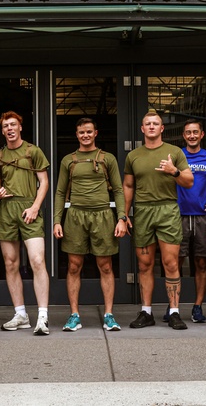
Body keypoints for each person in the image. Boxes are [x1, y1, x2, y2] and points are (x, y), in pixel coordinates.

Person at [53, 118, 127, 332]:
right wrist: (58, 220)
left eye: (88, 132)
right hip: (75, 216)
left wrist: (121, 217)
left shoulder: (107, 158)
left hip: (103, 215)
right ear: (76, 135)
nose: (85, 135)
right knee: (74, 266)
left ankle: (109, 315)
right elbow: (59, 192)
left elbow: (119, 190)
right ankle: (74, 315)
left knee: (105, 266)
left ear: (96, 133)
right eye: (81, 132)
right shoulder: (69, 160)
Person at [124, 110, 194, 330]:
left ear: (162, 128)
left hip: (167, 209)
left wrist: (174, 171)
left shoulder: (174, 152)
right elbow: (128, 186)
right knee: (144, 265)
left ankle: (174, 312)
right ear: (142, 129)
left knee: (171, 263)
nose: (152, 126)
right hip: (143, 211)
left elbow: (189, 181)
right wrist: (125, 214)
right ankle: (146, 312)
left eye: (156, 123)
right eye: (148, 124)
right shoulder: (133, 155)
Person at [0, 111, 52, 335]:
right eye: (6, 125)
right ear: (3, 130)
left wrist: (36, 207)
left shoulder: (32, 151)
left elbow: (44, 182)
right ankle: (21, 314)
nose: (9, 128)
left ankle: (43, 316)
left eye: (13, 124)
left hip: (29, 206)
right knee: (10, 263)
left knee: (37, 260)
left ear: (20, 127)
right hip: (7, 210)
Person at [174, 119, 206, 323]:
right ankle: (172, 306)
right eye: (188, 132)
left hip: (202, 216)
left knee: (201, 262)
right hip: (178, 215)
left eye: (195, 132)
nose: (191, 135)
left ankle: (197, 306)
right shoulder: (176, 156)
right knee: (175, 262)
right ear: (183, 135)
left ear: (202, 135)